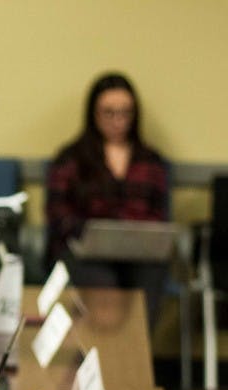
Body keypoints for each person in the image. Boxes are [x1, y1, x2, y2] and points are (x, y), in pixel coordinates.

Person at [45, 72, 169, 328]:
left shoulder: (150, 161)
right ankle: (102, 359)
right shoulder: (72, 158)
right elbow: (57, 215)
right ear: (94, 114)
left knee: (152, 277)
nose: (118, 121)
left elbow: (159, 218)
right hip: (84, 253)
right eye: (109, 113)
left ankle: (136, 358)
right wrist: (89, 233)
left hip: (139, 254)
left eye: (125, 113)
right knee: (103, 286)